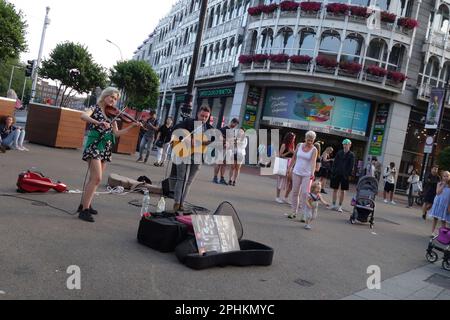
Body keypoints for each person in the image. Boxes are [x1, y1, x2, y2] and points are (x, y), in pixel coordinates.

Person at [79, 87, 142, 223]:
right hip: (95, 143)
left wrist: (131, 126)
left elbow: (116, 134)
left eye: (115, 99)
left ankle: (85, 204)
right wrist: (99, 122)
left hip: (106, 146)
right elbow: (83, 116)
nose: (113, 100)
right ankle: (84, 211)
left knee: (94, 179)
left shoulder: (112, 114)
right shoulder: (94, 107)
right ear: (105, 95)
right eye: (112, 97)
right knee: (96, 177)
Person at [171, 106, 213, 214]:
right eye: (202, 116)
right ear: (197, 114)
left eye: (206, 117)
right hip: (183, 152)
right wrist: (187, 138)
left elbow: (212, 140)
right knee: (181, 178)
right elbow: (175, 130)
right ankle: (177, 202)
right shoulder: (188, 122)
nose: (203, 118)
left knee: (189, 181)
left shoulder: (209, 128)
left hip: (198, 155)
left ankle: (182, 203)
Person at [287, 131, 318, 220]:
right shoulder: (299, 145)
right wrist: (289, 168)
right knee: (295, 192)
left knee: (305, 194)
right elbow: (294, 157)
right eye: (308, 140)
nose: (309, 142)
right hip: (296, 171)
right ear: (305, 138)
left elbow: (313, 162)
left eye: (311, 141)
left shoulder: (314, 149)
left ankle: (304, 214)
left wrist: (312, 173)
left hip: (307, 174)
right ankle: (293, 212)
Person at [329, 139, 355, 213]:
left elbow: (351, 165)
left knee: (343, 190)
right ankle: (333, 204)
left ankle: (340, 206)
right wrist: (333, 171)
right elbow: (335, 163)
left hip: (345, 175)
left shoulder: (351, 154)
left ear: (350, 145)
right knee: (335, 189)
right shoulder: (339, 153)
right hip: (337, 173)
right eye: (344, 144)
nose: (345, 146)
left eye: (347, 144)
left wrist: (347, 174)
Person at [213, 118, 240, 185]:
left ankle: (222, 178)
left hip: (228, 150)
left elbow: (233, 141)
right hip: (221, 149)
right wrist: (225, 142)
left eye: (236, 125)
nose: (234, 126)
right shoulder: (223, 129)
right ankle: (215, 177)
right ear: (231, 122)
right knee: (218, 163)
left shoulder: (233, 131)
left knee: (224, 164)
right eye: (234, 124)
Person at [428, 171, 450, 238]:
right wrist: (443, 185)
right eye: (444, 176)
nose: (446, 177)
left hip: (445, 204)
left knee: (443, 220)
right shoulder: (439, 183)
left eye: (447, 176)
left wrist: (449, 206)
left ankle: (442, 234)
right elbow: (437, 192)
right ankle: (432, 232)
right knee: (435, 218)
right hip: (438, 203)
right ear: (442, 177)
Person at [276, 132, 296, 204]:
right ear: (289, 138)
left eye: (294, 138)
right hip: (283, 162)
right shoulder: (284, 145)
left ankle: (285, 197)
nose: (294, 140)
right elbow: (280, 155)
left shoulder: (292, 145)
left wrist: (293, 152)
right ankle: (277, 197)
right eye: (293, 138)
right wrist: (288, 152)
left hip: (290, 163)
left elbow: (294, 155)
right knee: (280, 180)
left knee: (287, 182)